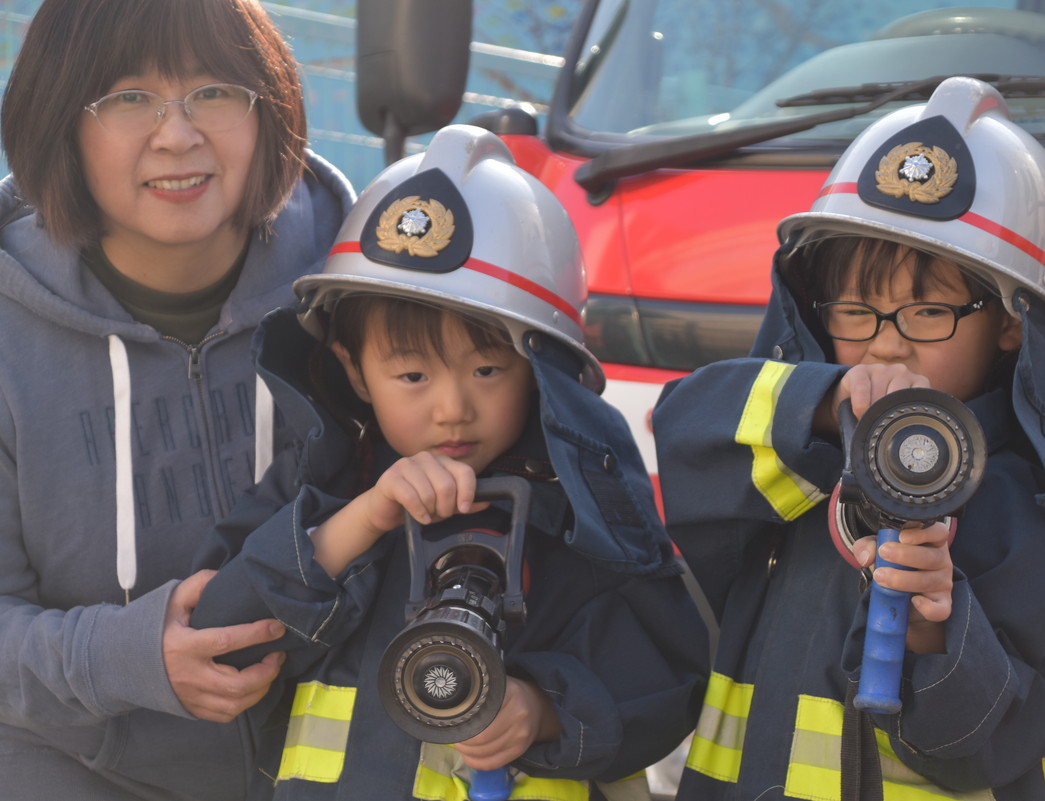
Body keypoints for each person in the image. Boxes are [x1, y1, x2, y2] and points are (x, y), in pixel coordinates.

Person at [187, 123, 709, 800]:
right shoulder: (322, 484)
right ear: (352, 369)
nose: (452, 409)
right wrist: (362, 519)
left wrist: (542, 711)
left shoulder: (583, 504)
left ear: (543, 369)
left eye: (488, 369)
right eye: (412, 376)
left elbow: (665, 677)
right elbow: (219, 638)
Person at [652, 76, 1045, 801]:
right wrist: (821, 398)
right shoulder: (802, 457)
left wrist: (935, 629)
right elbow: (682, 427)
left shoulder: (1021, 514)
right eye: (855, 311)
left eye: (928, 311)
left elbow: (982, 751)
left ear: (1011, 324)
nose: (886, 345)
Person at [0, 0, 355, 798]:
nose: (178, 134)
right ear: (61, 122)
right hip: (66, 763)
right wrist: (127, 656)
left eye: (215, 91)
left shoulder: (357, 288)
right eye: (130, 97)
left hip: (324, 762)